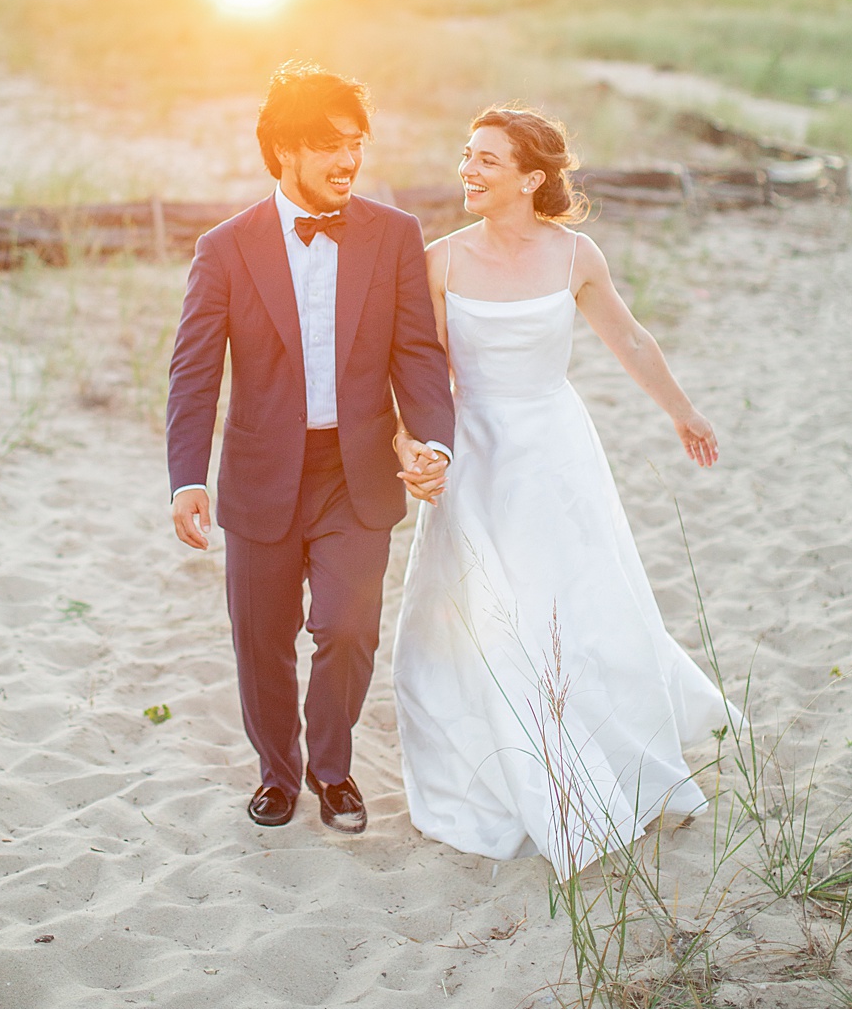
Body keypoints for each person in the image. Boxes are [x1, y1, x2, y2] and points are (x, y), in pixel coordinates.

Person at [392, 106, 731, 876]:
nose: (467, 171)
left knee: (572, 600)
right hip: (474, 454)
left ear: (531, 178)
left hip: (555, 451)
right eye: (466, 155)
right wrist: (413, 447)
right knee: (483, 610)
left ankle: (600, 740)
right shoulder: (440, 261)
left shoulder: (576, 255)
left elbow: (632, 339)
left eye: (485, 160)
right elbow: (416, 377)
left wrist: (683, 411)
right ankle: (497, 762)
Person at [165, 62, 454, 835]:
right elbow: (194, 375)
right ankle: (278, 774)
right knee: (261, 639)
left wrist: (431, 441)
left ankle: (333, 768)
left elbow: (419, 355)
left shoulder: (394, 236)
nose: (348, 161)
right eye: (329, 145)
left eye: (355, 144)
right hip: (261, 477)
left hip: (354, 473)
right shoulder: (224, 249)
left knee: (347, 627)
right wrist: (185, 479)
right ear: (284, 149)